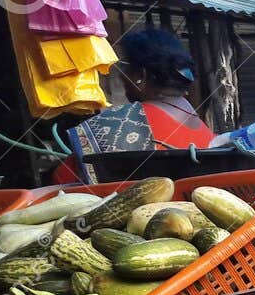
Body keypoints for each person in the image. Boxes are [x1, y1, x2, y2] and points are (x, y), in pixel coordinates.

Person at [58, 27, 214, 183]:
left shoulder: (114, 123)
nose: (121, 76)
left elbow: (63, 179)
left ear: (141, 75)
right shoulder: (206, 133)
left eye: (125, 68)